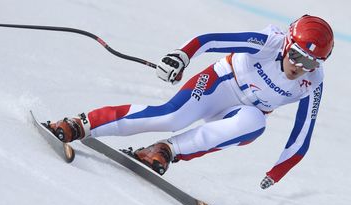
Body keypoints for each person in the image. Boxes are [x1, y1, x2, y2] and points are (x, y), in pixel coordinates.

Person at [46, 15, 334, 189]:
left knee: (256, 123)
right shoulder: (268, 43)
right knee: (171, 118)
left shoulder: (313, 81)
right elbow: (209, 40)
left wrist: (277, 171)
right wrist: (181, 56)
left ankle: (165, 150)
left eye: (311, 62)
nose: (299, 66)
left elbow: (302, 134)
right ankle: (80, 124)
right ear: (287, 44)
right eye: (296, 55)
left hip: (243, 110)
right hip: (220, 83)